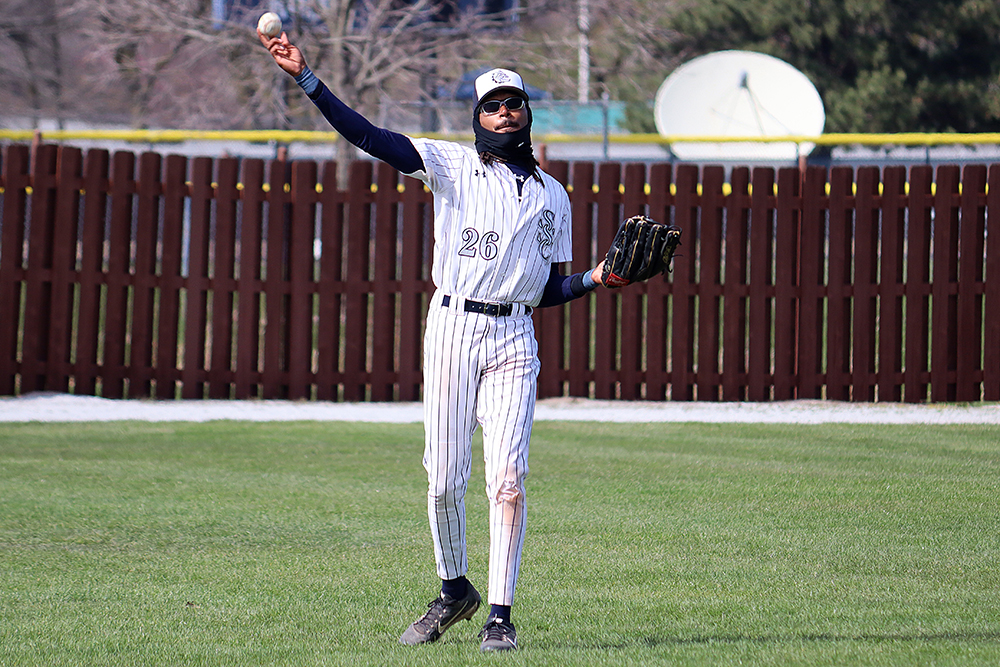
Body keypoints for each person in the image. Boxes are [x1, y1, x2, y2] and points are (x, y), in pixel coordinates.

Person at [260, 28, 610, 653]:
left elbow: (546, 289)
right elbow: (370, 137)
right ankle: (454, 590)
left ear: (527, 112)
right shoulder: (451, 166)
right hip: (453, 328)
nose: (504, 112)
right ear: (477, 117)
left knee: (508, 478)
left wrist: (596, 278)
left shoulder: (554, 196)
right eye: (492, 105)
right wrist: (307, 79)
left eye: (513, 103)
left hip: (515, 338)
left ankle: (499, 615)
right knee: (445, 479)